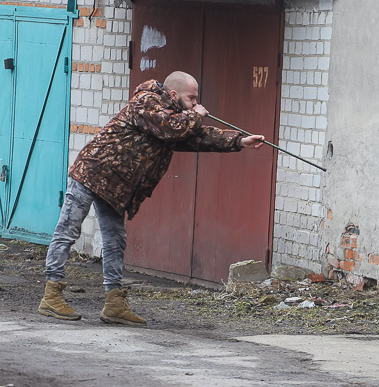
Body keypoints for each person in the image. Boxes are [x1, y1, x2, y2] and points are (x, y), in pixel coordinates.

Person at [38, 71, 264, 326]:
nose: (196, 103)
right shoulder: (146, 102)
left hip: (115, 187)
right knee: (68, 229)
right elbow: (172, 128)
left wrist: (240, 141)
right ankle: (51, 294)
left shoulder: (176, 119)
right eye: (192, 98)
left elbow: (197, 136)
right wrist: (195, 115)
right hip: (92, 172)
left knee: (115, 241)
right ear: (173, 95)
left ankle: (114, 303)